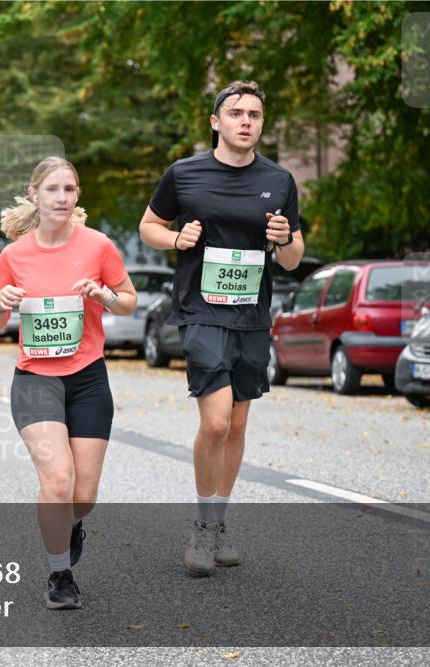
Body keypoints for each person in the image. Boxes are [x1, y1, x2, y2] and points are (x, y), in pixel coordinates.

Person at [138, 80, 305, 577]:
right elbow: (149, 226)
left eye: (254, 113)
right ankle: (202, 527)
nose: (246, 121)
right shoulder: (185, 173)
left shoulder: (279, 180)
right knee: (214, 422)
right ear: (216, 122)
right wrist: (176, 237)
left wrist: (284, 237)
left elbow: (293, 259)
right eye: (236, 112)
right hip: (200, 308)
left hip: (252, 314)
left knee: (236, 425)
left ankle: (219, 520)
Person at [0, 156, 137, 610]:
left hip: (88, 378)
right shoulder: (14, 255)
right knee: (58, 481)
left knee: (83, 496)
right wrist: (2, 300)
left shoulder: (98, 246)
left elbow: (128, 302)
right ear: (34, 194)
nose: (62, 198)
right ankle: (59, 575)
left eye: (69, 190)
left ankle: (71, 525)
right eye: (53, 189)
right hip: (35, 381)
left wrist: (103, 295)